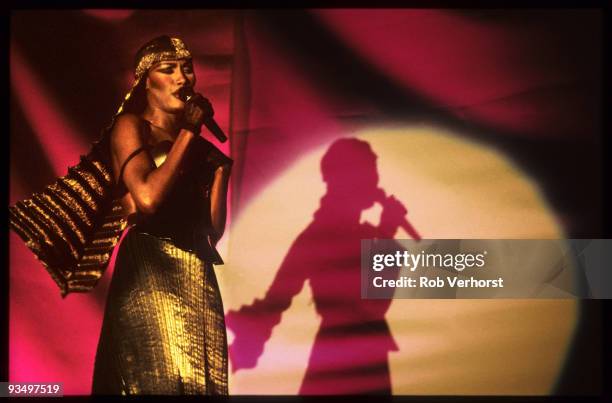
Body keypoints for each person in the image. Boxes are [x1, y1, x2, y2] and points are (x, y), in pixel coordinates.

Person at [90, 35, 232, 395]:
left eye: (187, 69)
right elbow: (148, 199)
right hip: (152, 263)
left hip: (196, 269)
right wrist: (188, 133)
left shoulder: (197, 146)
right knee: (158, 377)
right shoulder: (131, 127)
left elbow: (213, 229)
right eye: (168, 70)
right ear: (145, 82)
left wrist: (220, 174)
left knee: (201, 381)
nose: (182, 79)